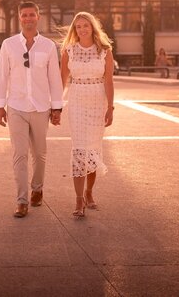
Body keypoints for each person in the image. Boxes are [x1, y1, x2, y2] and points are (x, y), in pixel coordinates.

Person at [0, 1, 63, 218]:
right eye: (24, 15)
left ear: (38, 17)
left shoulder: (48, 46)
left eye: (32, 14)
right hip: (15, 106)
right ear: (19, 18)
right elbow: (2, 76)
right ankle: (22, 200)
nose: (28, 18)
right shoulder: (9, 45)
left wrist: (57, 107)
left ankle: (37, 188)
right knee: (19, 154)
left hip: (41, 108)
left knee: (40, 154)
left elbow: (55, 79)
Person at [61, 12, 114, 218]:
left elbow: (108, 81)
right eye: (78, 26)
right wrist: (55, 107)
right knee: (79, 148)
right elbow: (62, 80)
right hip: (76, 101)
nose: (82, 29)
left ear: (93, 28)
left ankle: (89, 192)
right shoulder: (69, 51)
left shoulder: (105, 51)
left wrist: (110, 107)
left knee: (92, 148)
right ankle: (78, 199)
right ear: (75, 30)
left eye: (86, 26)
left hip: (97, 102)